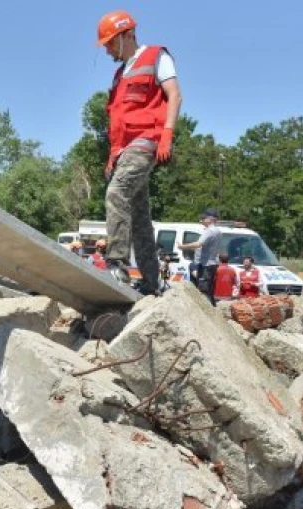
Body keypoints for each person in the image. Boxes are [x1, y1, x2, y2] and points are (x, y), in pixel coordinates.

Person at [96, 9, 181, 296]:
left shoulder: (157, 56)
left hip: (146, 141)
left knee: (116, 194)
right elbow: (118, 121)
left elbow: (175, 95)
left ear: (126, 34)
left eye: (109, 43)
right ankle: (151, 281)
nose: (107, 50)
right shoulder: (120, 75)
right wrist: (112, 155)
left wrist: (167, 135)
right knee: (139, 216)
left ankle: (116, 264)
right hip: (124, 149)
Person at [178, 209, 221, 303]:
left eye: (204, 217)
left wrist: (182, 247)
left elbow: (198, 244)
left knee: (203, 289)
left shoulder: (210, 231)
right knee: (209, 290)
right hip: (212, 263)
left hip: (206, 264)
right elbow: (202, 247)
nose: (202, 219)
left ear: (210, 219)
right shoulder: (217, 231)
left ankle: (206, 313)